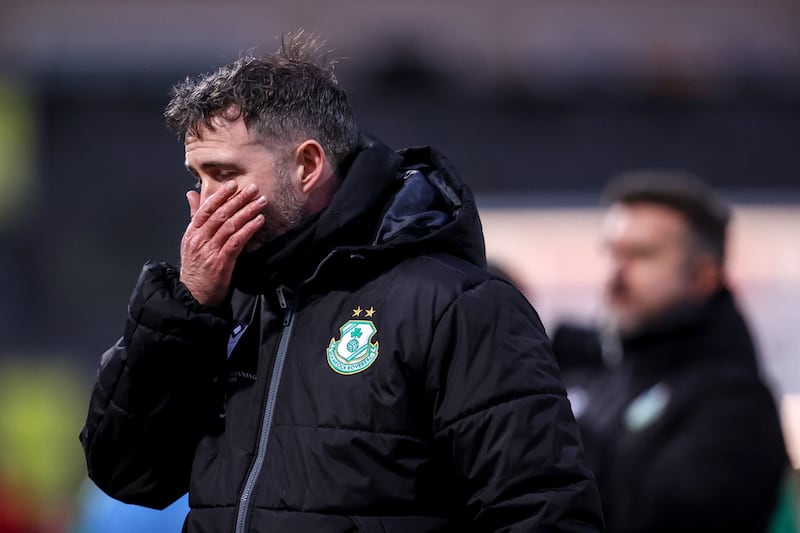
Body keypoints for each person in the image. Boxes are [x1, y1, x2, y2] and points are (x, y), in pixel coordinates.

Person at [79, 32, 604, 532]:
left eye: (226, 174)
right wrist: (187, 313)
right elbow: (129, 474)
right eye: (198, 179)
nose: (204, 203)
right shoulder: (222, 308)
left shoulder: (456, 304)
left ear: (307, 165)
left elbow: (540, 509)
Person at [565, 170, 787, 532]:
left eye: (641, 254)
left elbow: (668, 516)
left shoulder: (736, 405)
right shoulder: (603, 371)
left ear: (704, 277)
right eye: (612, 253)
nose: (615, 274)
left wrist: (557, 431)